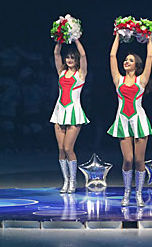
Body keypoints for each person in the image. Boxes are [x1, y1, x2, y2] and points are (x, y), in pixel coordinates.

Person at [108, 32, 152, 207]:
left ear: (136, 65)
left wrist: (149, 40)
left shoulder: (142, 80)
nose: (126, 62)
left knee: (139, 160)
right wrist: (118, 36)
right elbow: (112, 55)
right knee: (127, 159)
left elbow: (149, 56)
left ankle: (139, 194)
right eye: (125, 60)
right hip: (123, 121)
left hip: (139, 121)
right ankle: (127, 193)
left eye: (130, 60)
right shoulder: (118, 79)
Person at [51, 39, 89, 194]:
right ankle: (65, 181)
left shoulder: (81, 74)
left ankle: (73, 181)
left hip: (74, 112)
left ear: (77, 60)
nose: (69, 60)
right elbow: (56, 53)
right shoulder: (61, 72)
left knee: (68, 148)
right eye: (68, 58)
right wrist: (60, 39)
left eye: (73, 58)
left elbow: (84, 54)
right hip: (60, 112)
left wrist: (76, 39)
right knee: (61, 149)